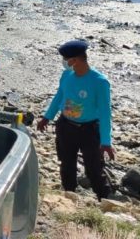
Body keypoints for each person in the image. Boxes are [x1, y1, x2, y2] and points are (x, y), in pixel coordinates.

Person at [37, 40, 114, 200]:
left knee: (93, 169)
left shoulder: (99, 82)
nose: (64, 62)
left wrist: (106, 142)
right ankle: (69, 195)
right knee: (67, 165)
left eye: (66, 59)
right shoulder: (67, 75)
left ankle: (105, 200)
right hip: (66, 127)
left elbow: (105, 113)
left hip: (89, 130)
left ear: (76, 60)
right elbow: (59, 97)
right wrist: (47, 117)